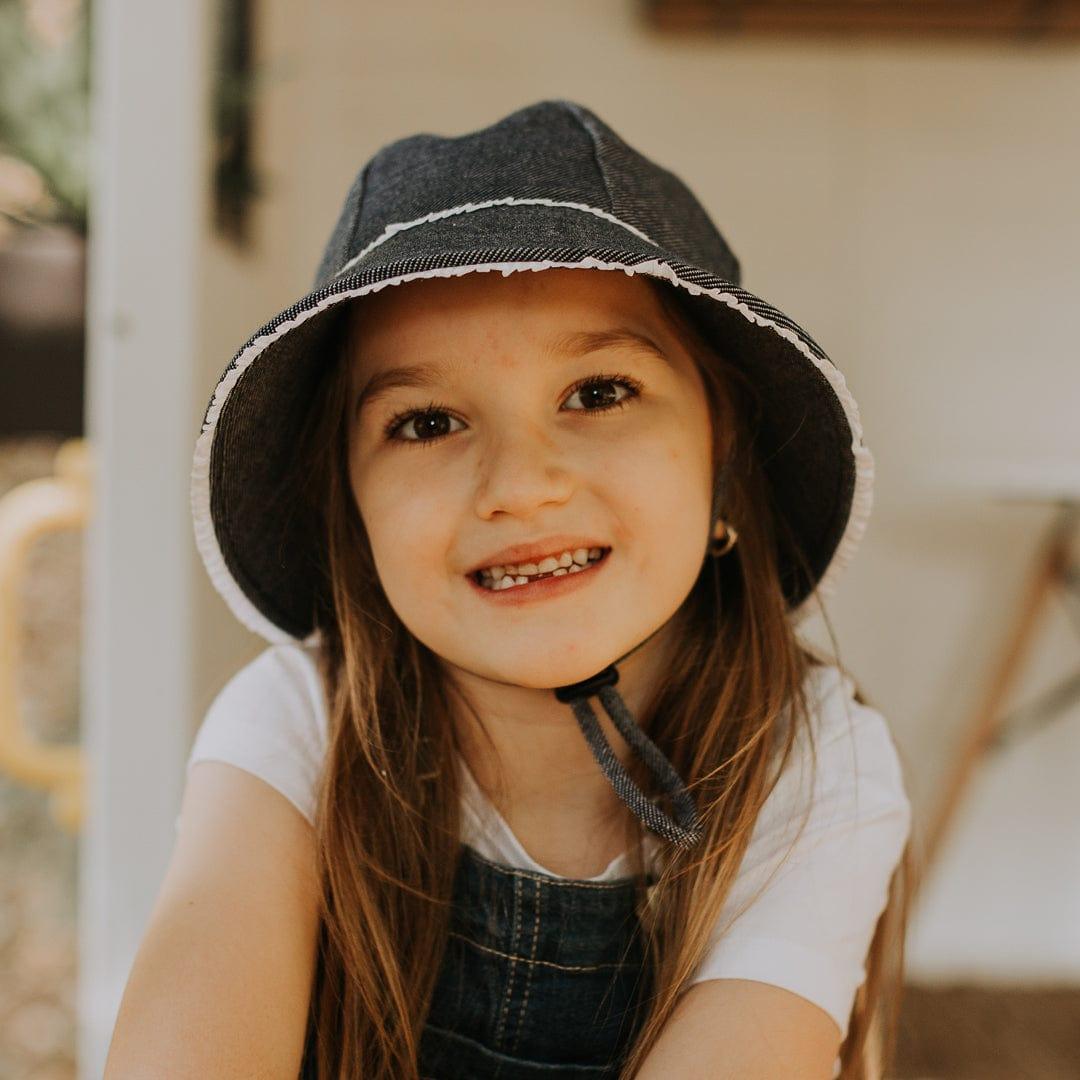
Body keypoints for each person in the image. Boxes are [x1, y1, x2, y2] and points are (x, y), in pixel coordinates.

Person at [105, 100, 913, 1079]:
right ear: (350, 507)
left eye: (599, 393)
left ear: (725, 460)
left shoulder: (813, 758)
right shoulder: (298, 728)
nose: (522, 486)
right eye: (427, 423)